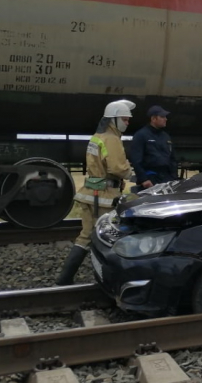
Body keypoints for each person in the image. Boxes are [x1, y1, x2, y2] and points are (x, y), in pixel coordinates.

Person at [55, 99, 135, 286]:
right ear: (113, 119)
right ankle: (111, 280)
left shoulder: (96, 137)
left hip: (90, 193)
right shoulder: (112, 139)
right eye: (125, 119)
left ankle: (64, 279)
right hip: (105, 196)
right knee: (111, 237)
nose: (128, 122)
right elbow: (117, 168)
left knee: (86, 235)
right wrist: (134, 176)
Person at [130, 105, 178, 191]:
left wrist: (174, 177)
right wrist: (143, 179)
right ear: (153, 119)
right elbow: (136, 160)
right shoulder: (141, 135)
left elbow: (172, 158)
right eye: (162, 117)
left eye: (165, 117)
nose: (165, 119)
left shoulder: (166, 136)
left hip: (167, 178)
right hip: (150, 179)